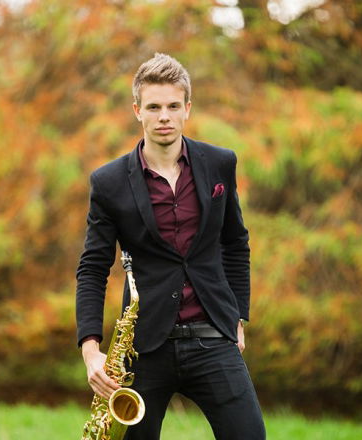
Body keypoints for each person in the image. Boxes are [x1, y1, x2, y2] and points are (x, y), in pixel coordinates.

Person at [76, 53, 266, 440]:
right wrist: (91, 349)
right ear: (137, 111)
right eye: (154, 107)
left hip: (213, 334)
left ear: (187, 109)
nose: (164, 116)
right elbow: (93, 268)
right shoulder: (108, 182)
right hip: (143, 347)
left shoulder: (220, 163)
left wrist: (237, 317)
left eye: (173, 106)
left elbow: (235, 243)